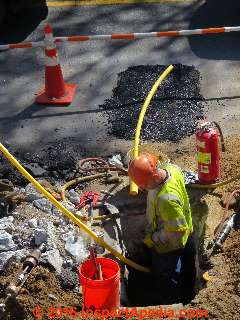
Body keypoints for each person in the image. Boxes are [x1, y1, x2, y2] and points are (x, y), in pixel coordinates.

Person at [128, 152, 195, 304]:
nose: (142, 188)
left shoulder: (167, 200)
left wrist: (153, 239)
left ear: (155, 177)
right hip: (180, 231)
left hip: (168, 246)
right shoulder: (171, 169)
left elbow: (175, 233)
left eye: (143, 185)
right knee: (181, 266)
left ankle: (171, 301)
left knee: (165, 275)